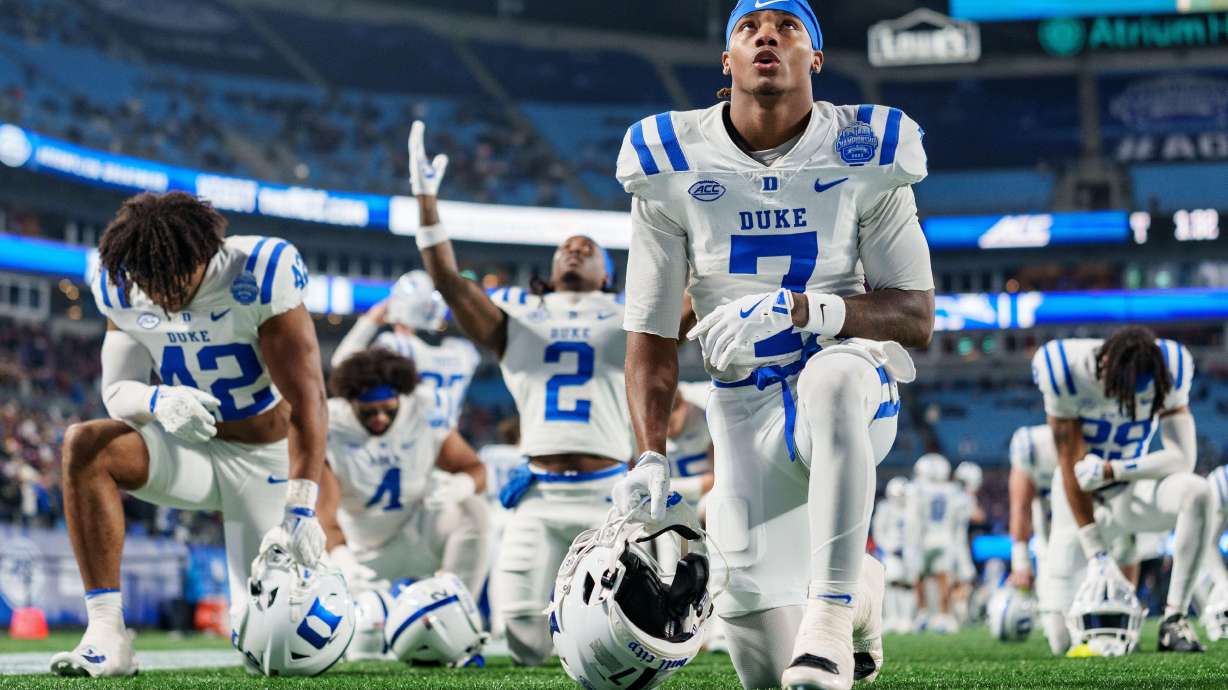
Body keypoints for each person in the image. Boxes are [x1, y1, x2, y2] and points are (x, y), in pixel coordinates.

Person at [611, 0, 934, 686]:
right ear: (726, 60)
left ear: (814, 58)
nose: (767, 35)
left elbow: (914, 317)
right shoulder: (669, 160)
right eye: (748, 26)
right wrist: (647, 456)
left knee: (834, 379)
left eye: (788, 26)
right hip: (742, 410)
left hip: (848, 388)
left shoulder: (865, 148)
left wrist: (801, 310)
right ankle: (862, 596)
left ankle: (832, 612)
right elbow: (651, 332)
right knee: (764, 668)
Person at [52, 192, 328, 677]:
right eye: (148, 280)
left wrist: (302, 506)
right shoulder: (119, 282)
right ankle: (107, 634)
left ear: (205, 254)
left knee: (269, 650)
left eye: (173, 278)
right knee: (84, 445)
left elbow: (309, 402)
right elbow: (117, 389)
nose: (161, 294)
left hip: (265, 459)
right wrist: (157, 400)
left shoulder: (258, 272)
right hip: (190, 449)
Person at [406, 121, 633, 665]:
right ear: (549, 269)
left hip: (609, 496)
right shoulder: (517, 314)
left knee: (619, 645)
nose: (575, 250)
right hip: (537, 496)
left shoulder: (631, 312)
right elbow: (447, 281)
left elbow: (691, 297)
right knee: (524, 643)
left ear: (607, 274)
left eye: (588, 249)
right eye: (566, 248)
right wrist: (425, 200)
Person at [1036, 328, 1213, 654]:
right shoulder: (1063, 367)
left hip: (1130, 491)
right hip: (1076, 497)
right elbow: (1069, 464)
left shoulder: (1171, 364)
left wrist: (1112, 469)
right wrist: (1096, 553)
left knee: (1199, 492)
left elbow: (1183, 459)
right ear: (1104, 365)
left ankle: (1174, 619)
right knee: (1061, 640)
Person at [317, 349, 489, 596]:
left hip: (415, 532)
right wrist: (343, 560)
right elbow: (324, 513)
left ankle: (458, 607)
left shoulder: (423, 410)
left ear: (400, 398)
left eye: (388, 409)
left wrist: (460, 486)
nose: (380, 418)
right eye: (368, 412)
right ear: (350, 402)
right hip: (358, 549)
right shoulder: (331, 425)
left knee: (473, 509)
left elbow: (476, 469)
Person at [330, 270, 480, 440]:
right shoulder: (464, 352)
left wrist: (369, 321)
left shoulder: (397, 346)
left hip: (408, 448)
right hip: (449, 446)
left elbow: (341, 366)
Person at [871, 476, 913, 634]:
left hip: (908, 553)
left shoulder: (912, 509)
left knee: (907, 585)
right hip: (891, 552)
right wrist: (888, 547)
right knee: (891, 584)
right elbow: (879, 531)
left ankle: (906, 618)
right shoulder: (885, 507)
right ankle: (892, 617)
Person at [666, 381, 715, 506]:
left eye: (670, 424)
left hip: (704, 501)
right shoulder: (634, 427)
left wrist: (662, 488)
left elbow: (719, 480)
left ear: (683, 406)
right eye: (658, 427)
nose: (665, 432)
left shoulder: (708, 416)